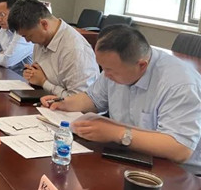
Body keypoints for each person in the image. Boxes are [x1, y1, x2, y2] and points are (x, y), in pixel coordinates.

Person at [43, 25, 201, 168]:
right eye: (103, 68)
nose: (106, 75)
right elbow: (93, 99)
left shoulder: (180, 84)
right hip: (129, 156)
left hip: (177, 172)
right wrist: (65, 103)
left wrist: (116, 133)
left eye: (110, 71)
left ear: (142, 65)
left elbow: (180, 149)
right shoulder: (116, 67)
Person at [7, 0, 99, 97]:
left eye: (29, 36)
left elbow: (80, 101)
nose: (28, 41)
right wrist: (32, 75)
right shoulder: (41, 40)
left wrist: (44, 82)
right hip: (44, 100)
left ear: (44, 24)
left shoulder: (74, 49)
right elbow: (39, 76)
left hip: (69, 106)